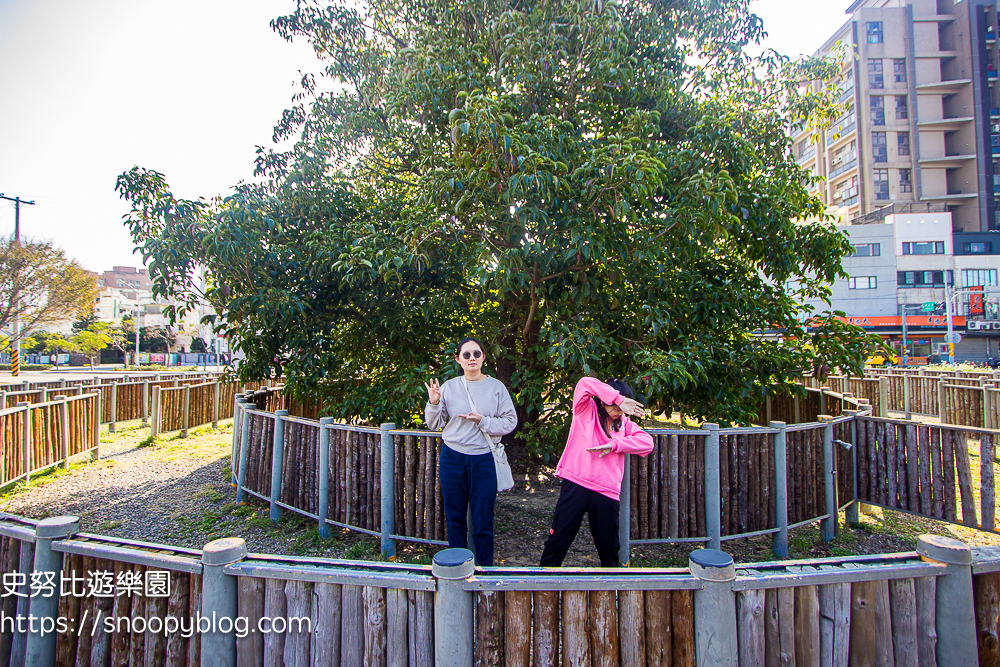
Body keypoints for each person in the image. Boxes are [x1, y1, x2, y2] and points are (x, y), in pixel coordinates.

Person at [539, 377, 653, 567]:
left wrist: (616, 445)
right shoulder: (585, 409)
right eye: (616, 406)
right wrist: (618, 399)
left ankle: (612, 593)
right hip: (576, 484)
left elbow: (647, 443)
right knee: (557, 542)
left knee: (608, 550)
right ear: (604, 400)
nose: (619, 411)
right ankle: (541, 589)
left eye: (622, 408)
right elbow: (584, 383)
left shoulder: (624, 424)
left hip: (606, 492)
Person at [424, 337, 517, 566]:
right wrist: (434, 402)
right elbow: (434, 424)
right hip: (452, 458)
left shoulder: (496, 387)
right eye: (466, 355)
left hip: (484, 459)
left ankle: (485, 572)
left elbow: (510, 421)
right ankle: (457, 570)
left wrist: (483, 421)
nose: (472, 358)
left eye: (476, 354)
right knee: (455, 518)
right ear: (458, 359)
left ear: (484, 357)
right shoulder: (448, 387)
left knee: (483, 519)